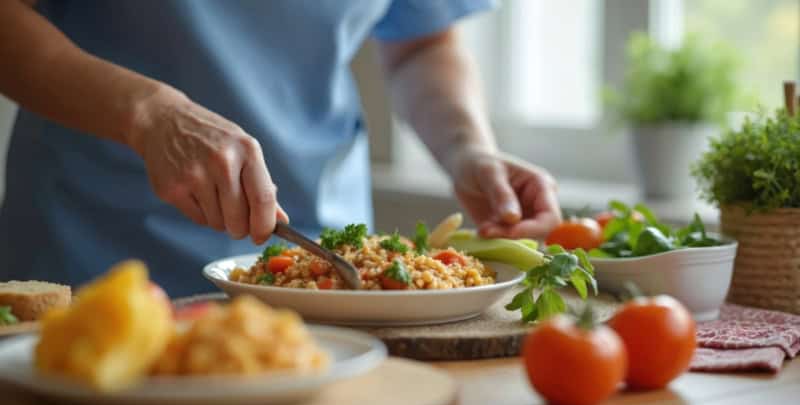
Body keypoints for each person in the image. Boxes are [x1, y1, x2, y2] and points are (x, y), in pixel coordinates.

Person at [0, 0, 562, 297]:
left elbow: (423, 40)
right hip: (95, 252)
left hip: (329, 267)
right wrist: (149, 115)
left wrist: (467, 148)